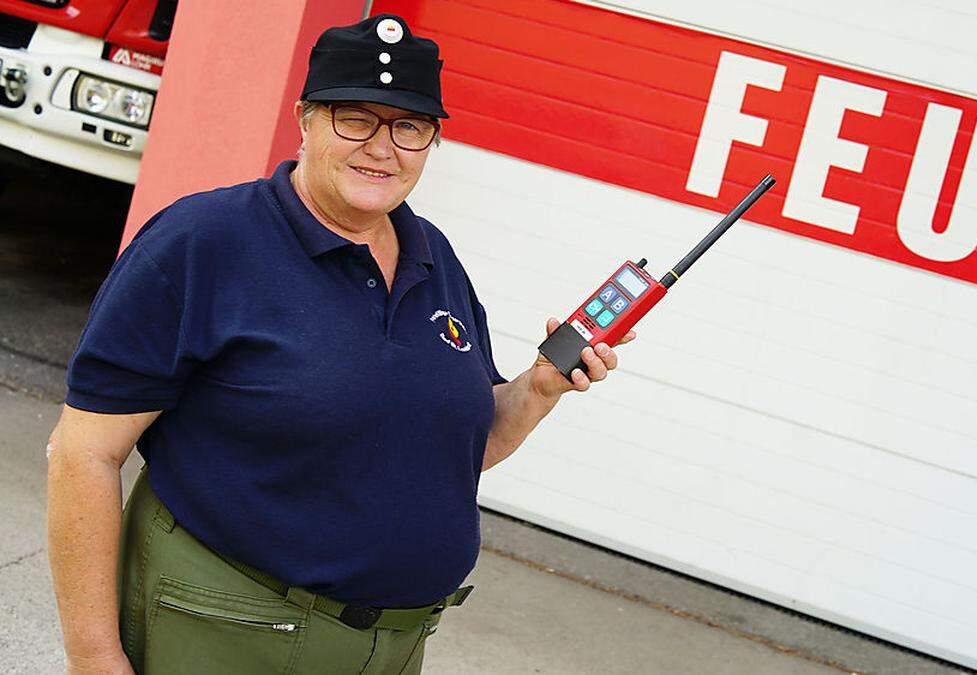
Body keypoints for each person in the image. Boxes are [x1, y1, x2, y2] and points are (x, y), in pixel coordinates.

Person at [45, 14, 633, 675]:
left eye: (408, 126)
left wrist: (539, 388)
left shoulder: (433, 257)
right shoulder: (201, 244)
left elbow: (460, 448)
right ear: (305, 119)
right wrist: (94, 655)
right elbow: (83, 453)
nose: (382, 147)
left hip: (389, 648)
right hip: (222, 629)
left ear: (432, 140)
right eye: (355, 118)